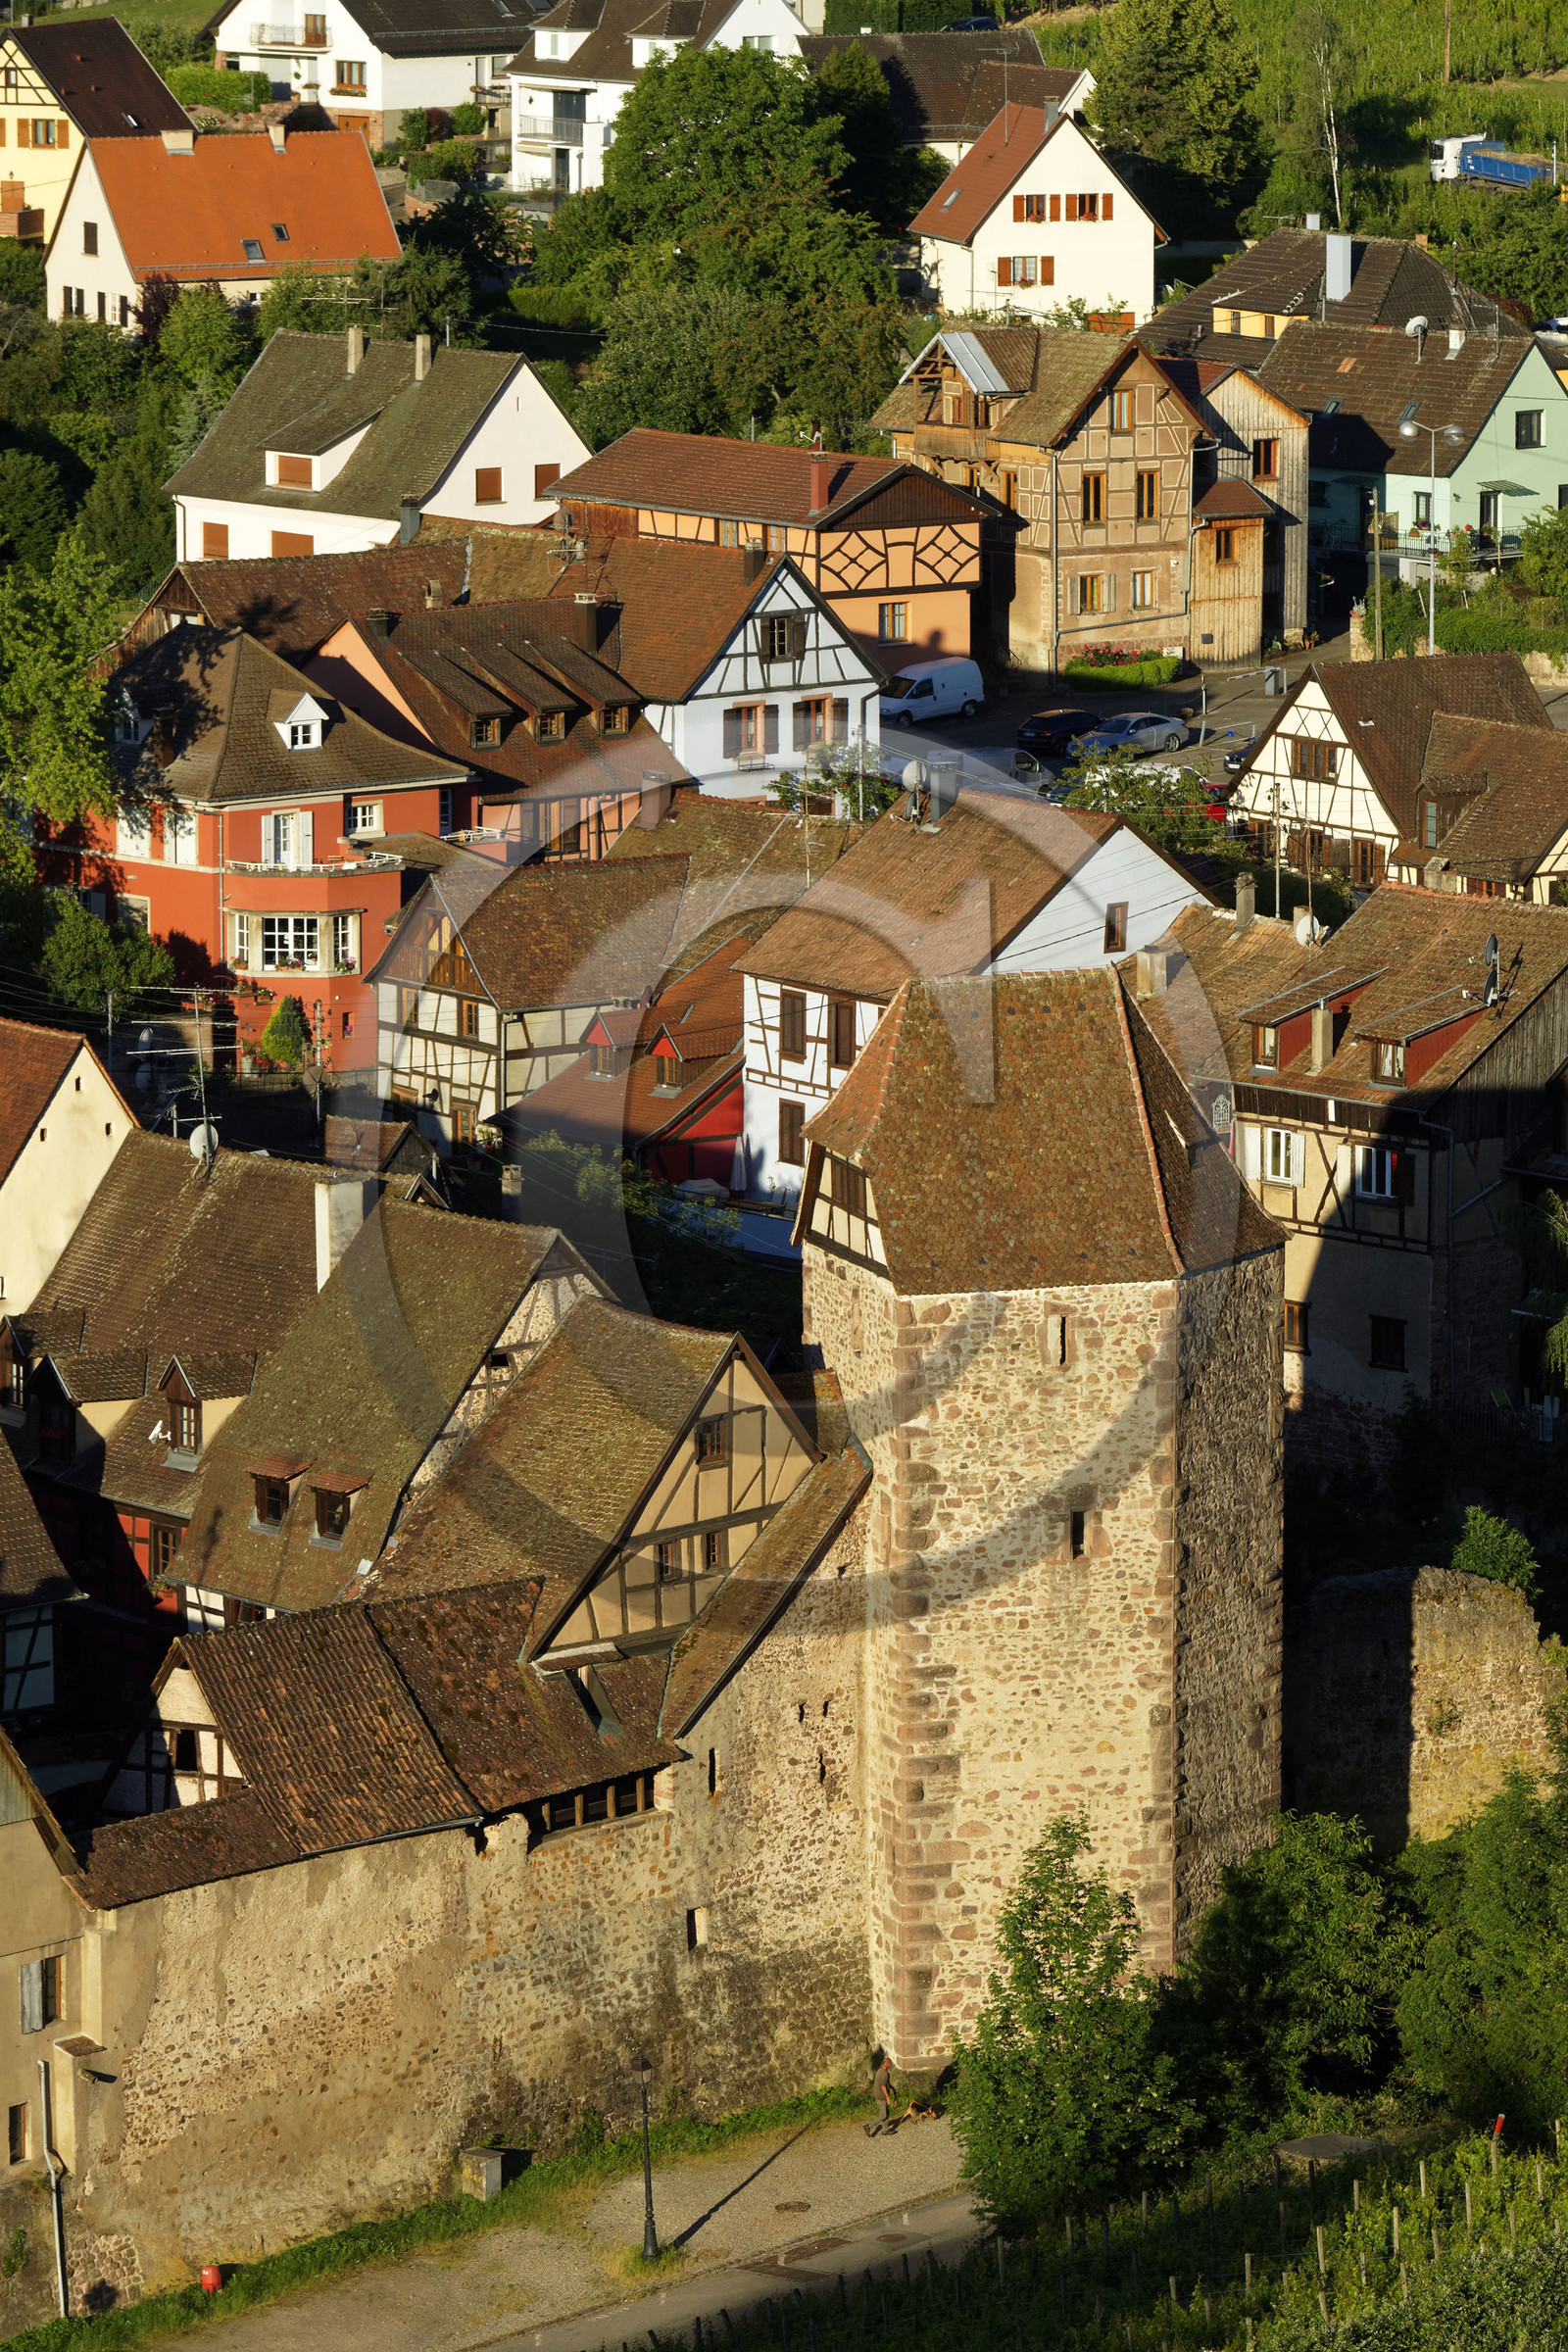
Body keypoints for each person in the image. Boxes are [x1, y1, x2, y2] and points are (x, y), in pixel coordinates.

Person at [864, 2050, 894, 2136]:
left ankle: (885, 2130)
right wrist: (888, 2097)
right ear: (887, 2064)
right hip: (882, 2097)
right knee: (883, 2114)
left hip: (878, 2095)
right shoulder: (884, 2073)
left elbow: (884, 2083)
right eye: (890, 2064)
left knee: (886, 2113)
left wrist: (891, 2088)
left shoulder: (879, 2071)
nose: (891, 2065)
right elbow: (883, 2086)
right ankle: (868, 2126)